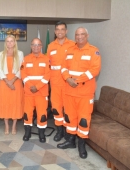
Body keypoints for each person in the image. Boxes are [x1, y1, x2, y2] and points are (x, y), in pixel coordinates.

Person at [57, 27, 101, 159]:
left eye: (82, 34)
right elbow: (63, 67)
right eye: (77, 35)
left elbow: (95, 70)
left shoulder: (94, 51)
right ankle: (70, 141)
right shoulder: (69, 50)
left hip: (84, 93)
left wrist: (77, 80)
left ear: (87, 35)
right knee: (70, 118)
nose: (79, 37)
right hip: (69, 92)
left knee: (83, 120)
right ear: (74, 36)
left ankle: (81, 145)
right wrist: (67, 78)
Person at [47, 21, 75, 142]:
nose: (60, 31)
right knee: (57, 109)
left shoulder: (73, 45)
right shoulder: (51, 46)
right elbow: (47, 64)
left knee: (69, 110)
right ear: (55, 31)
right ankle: (59, 132)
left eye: (62, 29)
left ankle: (69, 133)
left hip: (69, 84)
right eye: (57, 29)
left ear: (66, 31)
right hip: (55, 84)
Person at [21, 38, 50, 143]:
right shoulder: (26, 59)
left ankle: (41, 134)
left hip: (41, 93)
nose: (36, 47)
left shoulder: (46, 59)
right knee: (27, 113)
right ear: (31, 46)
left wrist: (37, 87)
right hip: (29, 92)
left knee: (42, 114)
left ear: (41, 46)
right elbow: (23, 74)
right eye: (34, 45)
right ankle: (27, 133)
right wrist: (30, 85)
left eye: (38, 45)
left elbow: (47, 75)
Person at [0, 35, 24, 135]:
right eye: (8, 41)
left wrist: (13, 80)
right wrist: (8, 81)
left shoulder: (20, 54)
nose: (10, 43)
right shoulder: (1, 54)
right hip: (4, 81)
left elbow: (21, 68)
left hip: (16, 81)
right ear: (5, 43)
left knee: (15, 103)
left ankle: (14, 126)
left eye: (12, 41)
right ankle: (7, 126)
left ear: (15, 43)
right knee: (5, 103)